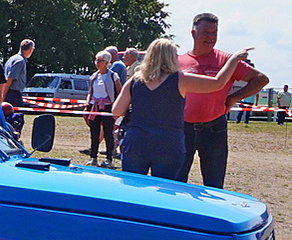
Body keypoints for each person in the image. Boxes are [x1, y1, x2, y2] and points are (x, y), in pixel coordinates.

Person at [111, 37, 252, 179]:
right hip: (168, 145)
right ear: (172, 57)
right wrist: (234, 59)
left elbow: (116, 110)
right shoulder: (180, 79)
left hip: (136, 144)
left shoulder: (135, 80)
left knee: (133, 190)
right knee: (166, 193)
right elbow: (218, 83)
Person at [177, 13, 267, 188]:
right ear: (193, 33)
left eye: (214, 32)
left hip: (214, 128)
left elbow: (261, 79)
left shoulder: (226, 60)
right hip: (182, 128)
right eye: (206, 32)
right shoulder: (179, 61)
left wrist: (235, 97)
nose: (210, 37)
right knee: (176, 182)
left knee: (214, 183)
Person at [83, 51, 118, 165]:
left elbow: (120, 91)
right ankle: (93, 157)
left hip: (107, 107)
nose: (97, 63)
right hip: (95, 107)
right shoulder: (94, 76)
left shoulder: (113, 75)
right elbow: (91, 91)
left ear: (107, 62)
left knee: (108, 133)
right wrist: (88, 102)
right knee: (94, 133)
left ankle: (109, 159)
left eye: (100, 61)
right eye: (96, 60)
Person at [4, 38, 34, 107]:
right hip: (13, 95)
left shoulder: (12, 58)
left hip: (10, 93)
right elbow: (9, 79)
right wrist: (3, 96)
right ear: (30, 50)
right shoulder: (20, 61)